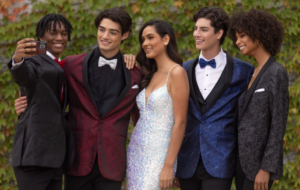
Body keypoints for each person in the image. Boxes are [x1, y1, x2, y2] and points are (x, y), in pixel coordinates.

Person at [13, 8, 140, 190]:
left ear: (125, 35)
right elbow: (39, 79)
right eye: (102, 29)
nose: (105, 36)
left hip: (112, 162)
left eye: (113, 32)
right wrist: (24, 100)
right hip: (77, 161)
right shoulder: (71, 64)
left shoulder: (135, 71)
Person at [175, 7, 254, 190]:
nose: (197, 34)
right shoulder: (182, 70)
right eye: (196, 28)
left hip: (221, 159)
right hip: (188, 159)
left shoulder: (244, 71)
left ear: (219, 33)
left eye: (203, 29)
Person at [8, 14, 74, 190]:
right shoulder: (35, 60)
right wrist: (17, 60)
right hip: (34, 156)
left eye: (64, 33)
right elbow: (25, 77)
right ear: (41, 37)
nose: (60, 37)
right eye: (53, 33)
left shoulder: (59, 64)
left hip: (53, 158)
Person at [228, 8, 289, 190]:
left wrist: (266, 168)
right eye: (236, 37)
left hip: (259, 167)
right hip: (242, 162)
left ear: (259, 35)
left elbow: (278, 124)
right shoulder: (252, 73)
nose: (237, 41)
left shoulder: (276, 72)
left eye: (243, 36)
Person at [126, 19, 189, 190]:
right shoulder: (148, 74)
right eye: (143, 40)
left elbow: (180, 122)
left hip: (160, 155)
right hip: (136, 151)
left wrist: (169, 165)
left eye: (150, 37)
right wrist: (127, 58)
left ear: (166, 39)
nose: (145, 43)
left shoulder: (177, 73)